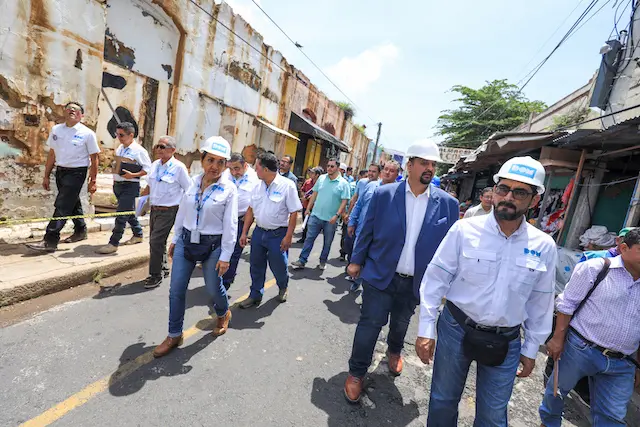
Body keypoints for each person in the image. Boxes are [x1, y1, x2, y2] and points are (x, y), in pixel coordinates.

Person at [416, 156, 558, 426]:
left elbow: (541, 301)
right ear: (494, 191)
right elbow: (435, 279)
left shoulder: (544, 246)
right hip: (456, 328)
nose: (508, 197)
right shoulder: (464, 229)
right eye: (503, 189)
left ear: (535, 200)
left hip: (506, 340)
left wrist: (530, 348)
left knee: (493, 415)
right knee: (443, 400)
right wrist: (426, 329)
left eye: (520, 192)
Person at [343, 140, 459, 403]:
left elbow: (451, 248)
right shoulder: (385, 195)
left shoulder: (448, 205)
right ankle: (356, 372)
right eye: (424, 163)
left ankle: (395, 351)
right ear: (410, 165)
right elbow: (367, 230)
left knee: (401, 323)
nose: (429, 168)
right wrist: (356, 260)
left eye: (433, 164)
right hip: (380, 275)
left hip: (416, 282)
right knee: (369, 325)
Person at [540, 227, 640, 426]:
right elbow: (567, 304)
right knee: (557, 392)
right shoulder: (595, 268)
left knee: (612, 416)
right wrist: (558, 339)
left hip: (623, 362)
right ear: (623, 248)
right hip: (580, 349)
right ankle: (549, 422)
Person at [152, 136, 237, 358]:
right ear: (202, 159)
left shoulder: (229, 189)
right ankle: (174, 334)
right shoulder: (191, 183)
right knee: (176, 289)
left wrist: (226, 255)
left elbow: (231, 225)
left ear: (226, 164)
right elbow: (183, 212)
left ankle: (222, 313)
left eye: (221, 162)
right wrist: (175, 238)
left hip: (213, 244)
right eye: (211, 160)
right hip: (186, 241)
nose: (215, 167)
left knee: (212, 286)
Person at [27, 102, 100, 253]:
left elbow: (95, 158)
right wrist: (46, 175)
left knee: (62, 205)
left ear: (81, 115)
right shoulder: (56, 129)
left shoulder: (87, 133)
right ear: (64, 112)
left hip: (77, 172)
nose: (72, 111)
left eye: (76, 110)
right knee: (72, 203)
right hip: (60, 171)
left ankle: (50, 240)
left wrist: (93, 180)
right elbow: (52, 153)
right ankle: (81, 230)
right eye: (69, 109)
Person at [238, 151, 302, 308]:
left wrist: (288, 237)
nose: (255, 170)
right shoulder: (257, 186)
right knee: (256, 265)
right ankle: (255, 295)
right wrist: (245, 232)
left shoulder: (287, 186)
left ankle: (283, 286)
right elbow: (250, 210)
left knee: (279, 265)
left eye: (257, 167)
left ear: (265, 169)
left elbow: (294, 212)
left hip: (278, 234)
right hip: (259, 233)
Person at [143, 136, 192, 289]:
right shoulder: (154, 165)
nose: (159, 149)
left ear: (172, 150)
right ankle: (163, 268)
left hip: (170, 210)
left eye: (163, 147)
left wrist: (185, 211)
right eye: (157, 146)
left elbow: (189, 190)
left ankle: (155, 275)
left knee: (155, 241)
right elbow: (149, 186)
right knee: (157, 240)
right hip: (155, 209)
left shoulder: (178, 168)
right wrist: (140, 206)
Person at [97, 122, 152, 254]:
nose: (119, 138)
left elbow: (148, 169)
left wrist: (134, 174)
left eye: (121, 135)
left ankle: (113, 242)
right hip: (118, 184)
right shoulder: (121, 148)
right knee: (127, 211)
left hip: (130, 185)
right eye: (117, 135)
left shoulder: (139, 151)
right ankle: (138, 234)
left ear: (131, 135)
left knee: (121, 215)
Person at [346, 160, 401, 289]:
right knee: (358, 255)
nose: (387, 172)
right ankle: (357, 280)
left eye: (392, 171)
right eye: (386, 169)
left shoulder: (399, 193)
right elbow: (359, 205)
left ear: (397, 174)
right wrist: (352, 222)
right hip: (362, 231)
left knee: (373, 263)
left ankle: (367, 290)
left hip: (380, 237)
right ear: (382, 172)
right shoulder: (371, 186)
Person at [291, 158, 351, 270]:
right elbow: (314, 194)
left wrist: (337, 215)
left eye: (332, 166)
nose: (329, 168)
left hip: (331, 220)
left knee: (327, 243)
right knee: (309, 239)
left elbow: (344, 201)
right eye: (328, 166)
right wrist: (308, 208)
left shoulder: (344, 184)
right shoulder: (322, 179)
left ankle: (323, 261)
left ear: (338, 168)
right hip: (316, 215)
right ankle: (302, 260)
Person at [221, 152, 260, 291]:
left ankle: (226, 282)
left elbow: (256, 202)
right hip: (223, 219)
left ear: (245, 165)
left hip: (241, 220)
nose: (233, 172)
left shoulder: (255, 178)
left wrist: (248, 223)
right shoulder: (226, 174)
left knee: (235, 251)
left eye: (236, 168)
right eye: (231, 168)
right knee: (220, 250)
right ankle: (218, 278)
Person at [298, 167, 322, 244]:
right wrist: (304, 196)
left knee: (311, 225)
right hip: (306, 205)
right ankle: (303, 238)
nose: (310, 174)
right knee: (305, 222)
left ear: (317, 175)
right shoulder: (307, 182)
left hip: (315, 207)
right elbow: (302, 190)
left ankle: (309, 240)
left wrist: (310, 197)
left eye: (312, 173)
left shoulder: (321, 184)